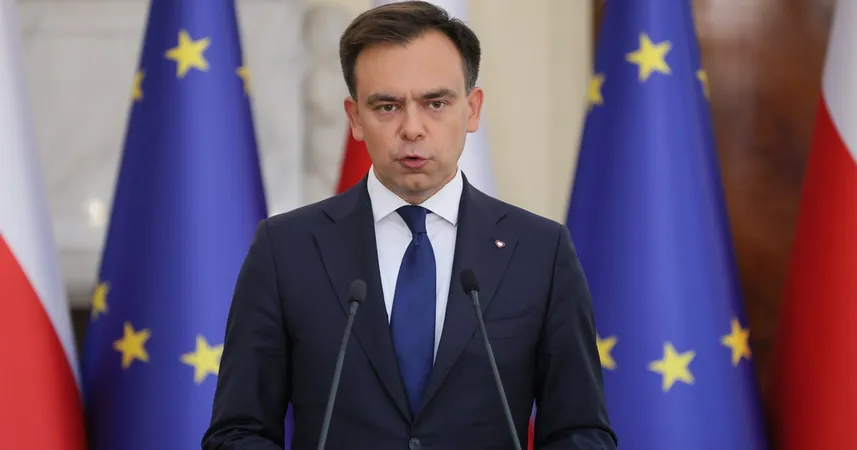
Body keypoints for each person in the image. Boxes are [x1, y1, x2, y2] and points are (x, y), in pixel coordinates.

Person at [202, 1, 617, 449]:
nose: (412, 128)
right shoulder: (286, 250)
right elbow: (237, 432)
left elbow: (581, 432)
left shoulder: (539, 252)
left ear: (473, 109)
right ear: (355, 118)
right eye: (387, 106)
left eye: (435, 103)